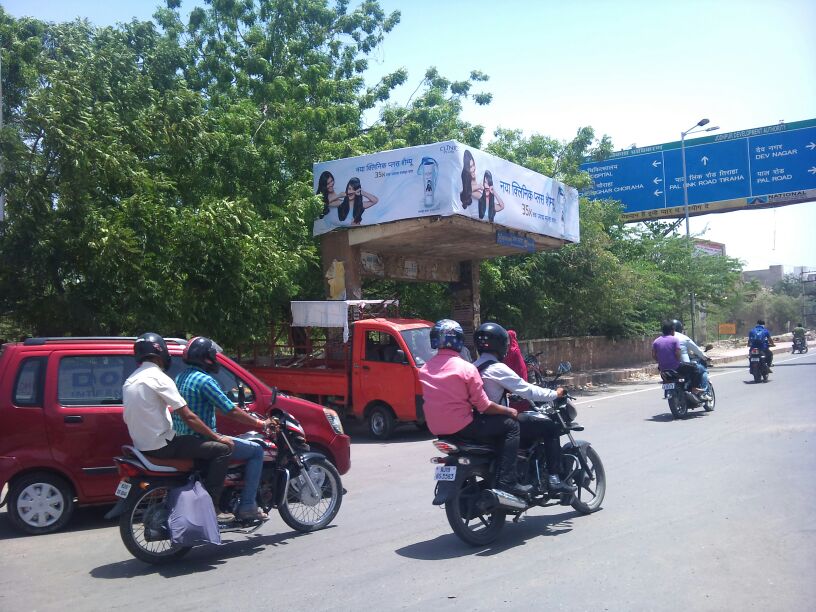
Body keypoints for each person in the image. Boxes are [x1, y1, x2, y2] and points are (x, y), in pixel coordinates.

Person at [122, 332, 235, 522]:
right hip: (163, 446)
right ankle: (212, 507)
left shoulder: (131, 380)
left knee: (195, 444)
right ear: (160, 354)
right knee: (221, 450)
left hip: (142, 445)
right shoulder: (158, 377)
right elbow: (189, 416)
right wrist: (217, 437)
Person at [419, 319, 531, 498]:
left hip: (437, 430)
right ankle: (508, 481)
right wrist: (508, 411)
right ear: (458, 340)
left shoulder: (424, 369)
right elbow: (484, 406)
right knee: (511, 425)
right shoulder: (466, 368)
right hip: (464, 428)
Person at [172, 336, 272, 522]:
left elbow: (215, 406)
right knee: (257, 450)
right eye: (213, 355)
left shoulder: (181, 377)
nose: (215, 359)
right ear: (206, 357)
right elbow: (231, 411)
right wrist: (260, 424)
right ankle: (248, 505)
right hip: (202, 439)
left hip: (183, 438)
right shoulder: (205, 381)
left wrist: (236, 412)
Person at [473, 323, 576, 495]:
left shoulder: (472, 366)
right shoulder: (496, 368)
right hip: (499, 419)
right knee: (549, 427)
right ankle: (553, 478)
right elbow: (527, 389)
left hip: (479, 420)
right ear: (501, 344)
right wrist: (554, 393)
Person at [671, 319, 712, 400]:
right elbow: (697, 350)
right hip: (683, 366)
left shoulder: (662, 338)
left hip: (666, 367)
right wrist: (706, 357)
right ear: (680, 328)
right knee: (702, 369)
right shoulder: (683, 338)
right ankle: (701, 392)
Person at [652, 321, 699, 388]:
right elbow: (677, 354)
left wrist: (660, 361)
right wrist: (677, 361)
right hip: (675, 367)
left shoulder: (656, 341)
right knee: (695, 368)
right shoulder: (674, 340)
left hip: (662, 368)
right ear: (672, 330)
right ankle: (694, 388)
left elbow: (654, 355)